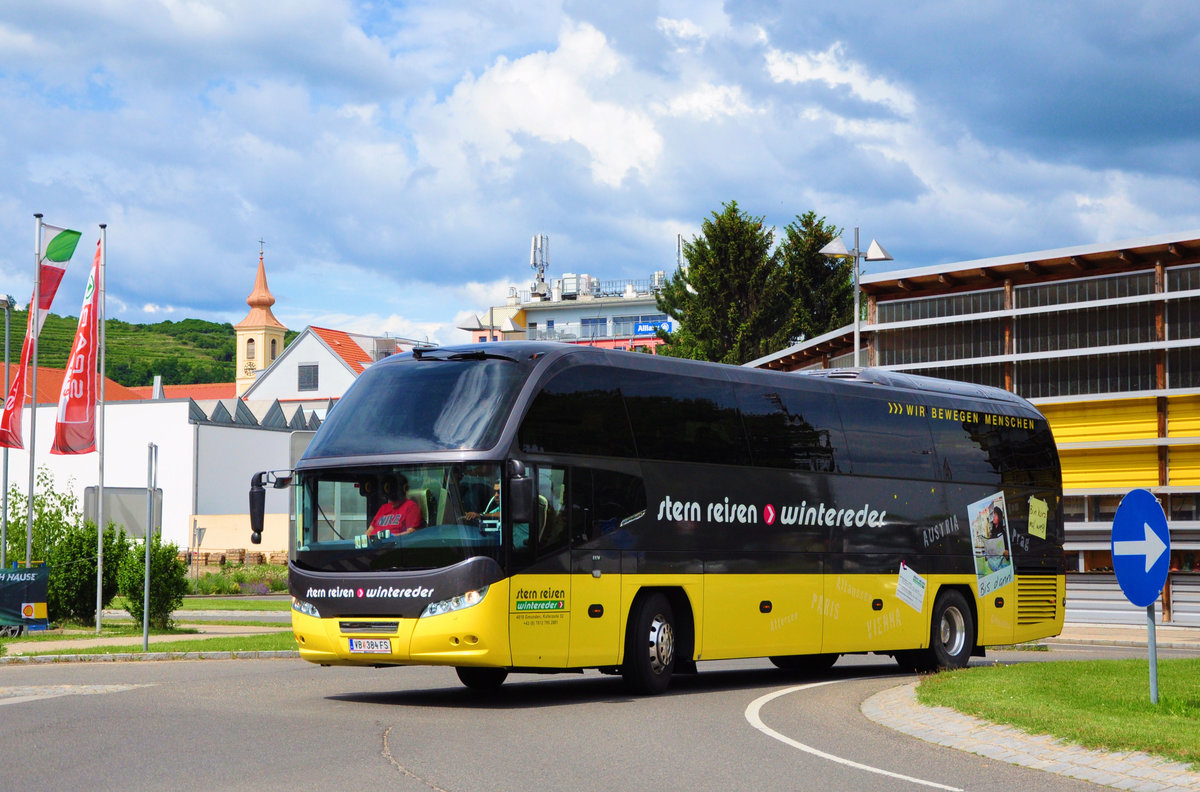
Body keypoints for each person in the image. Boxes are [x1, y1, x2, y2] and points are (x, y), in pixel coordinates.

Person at [367, 474, 423, 538]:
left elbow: (411, 533)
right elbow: (369, 531)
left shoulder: (411, 506)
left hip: (395, 545)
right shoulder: (384, 507)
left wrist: (391, 537)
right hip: (375, 545)